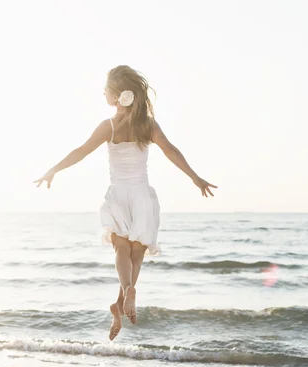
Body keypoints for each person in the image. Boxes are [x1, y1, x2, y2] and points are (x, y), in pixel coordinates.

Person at [35, 65, 217, 340]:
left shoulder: (107, 126)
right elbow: (170, 150)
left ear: (116, 96)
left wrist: (54, 169)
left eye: (106, 90)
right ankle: (122, 302)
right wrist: (195, 177)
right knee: (136, 254)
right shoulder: (148, 125)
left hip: (118, 194)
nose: (104, 94)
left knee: (121, 249)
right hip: (142, 195)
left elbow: (82, 151)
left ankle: (124, 296)